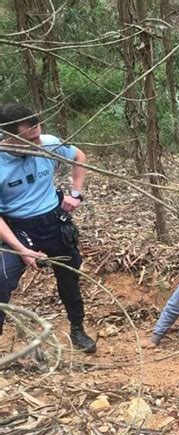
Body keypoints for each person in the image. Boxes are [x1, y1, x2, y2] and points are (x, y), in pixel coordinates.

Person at [0, 103, 95, 352]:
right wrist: (21, 249)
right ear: (9, 136)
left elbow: (79, 156)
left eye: (38, 133)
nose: (37, 142)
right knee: (2, 278)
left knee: (69, 277)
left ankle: (77, 329)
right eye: (29, 139)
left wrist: (76, 193)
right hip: (18, 227)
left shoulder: (48, 142)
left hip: (54, 221)